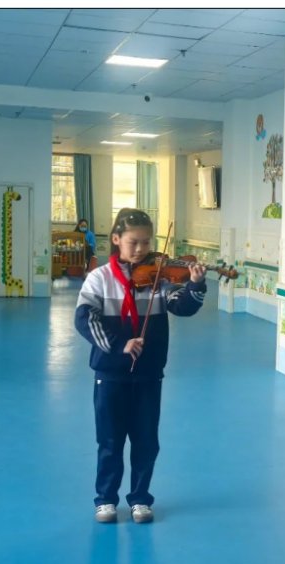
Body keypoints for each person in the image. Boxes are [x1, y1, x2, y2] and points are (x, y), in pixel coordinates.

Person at [74, 208, 207, 524]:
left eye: (146, 243)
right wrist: (119, 345)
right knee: (109, 441)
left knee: (146, 441)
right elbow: (84, 318)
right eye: (133, 242)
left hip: (149, 374)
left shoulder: (159, 279)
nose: (140, 249)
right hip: (110, 375)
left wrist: (195, 285)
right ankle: (106, 500)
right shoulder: (99, 278)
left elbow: (182, 307)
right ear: (116, 239)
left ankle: (140, 499)